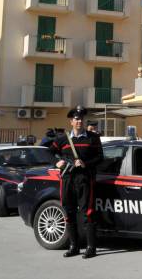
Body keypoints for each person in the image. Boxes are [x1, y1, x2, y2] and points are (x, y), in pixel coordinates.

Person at [51, 106, 103, 259]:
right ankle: (73, 246)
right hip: (67, 179)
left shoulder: (93, 138)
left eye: (81, 119)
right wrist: (57, 162)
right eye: (76, 119)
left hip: (84, 179)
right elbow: (49, 152)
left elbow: (100, 157)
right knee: (69, 212)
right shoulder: (62, 139)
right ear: (71, 121)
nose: (79, 121)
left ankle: (91, 247)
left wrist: (85, 163)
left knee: (88, 213)